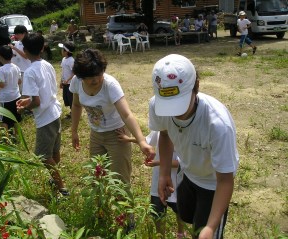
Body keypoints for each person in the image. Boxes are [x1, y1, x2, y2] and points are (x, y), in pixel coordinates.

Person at [149, 54, 239, 239]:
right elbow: (165, 134)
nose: (174, 113)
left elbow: (225, 180)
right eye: (169, 106)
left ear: (195, 87)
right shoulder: (156, 106)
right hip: (187, 172)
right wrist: (165, 173)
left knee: (203, 231)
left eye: (179, 105)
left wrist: (211, 228)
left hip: (213, 183)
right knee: (187, 216)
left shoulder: (217, 125)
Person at [69, 48, 154, 185]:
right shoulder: (76, 82)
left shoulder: (110, 85)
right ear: (81, 76)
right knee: (97, 176)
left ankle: (123, 205)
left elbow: (126, 114)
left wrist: (141, 141)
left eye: (99, 74)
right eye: (90, 77)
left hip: (117, 135)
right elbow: (76, 105)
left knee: (120, 179)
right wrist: (74, 131)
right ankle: (103, 206)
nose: (96, 79)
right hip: (95, 134)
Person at [16, 33, 68, 196]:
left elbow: (36, 102)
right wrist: (27, 102)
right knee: (53, 151)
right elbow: (44, 92)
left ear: (24, 50)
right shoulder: (47, 64)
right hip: (54, 111)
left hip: (45, 117)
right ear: (42, 48)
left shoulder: (30, 72)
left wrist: (25, 107)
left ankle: (61, 187)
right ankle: (55, 178)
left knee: (43, 156)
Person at [117, 129, 186, 239]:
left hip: (177, 183)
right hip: (158, 182)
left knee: (180, 211)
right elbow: (146, 140)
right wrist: (128, 139)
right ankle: (160, 235)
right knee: (157, 211)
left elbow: (182, 163)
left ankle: (181, 232)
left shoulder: (184, 134)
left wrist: (158, 162)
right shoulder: (161, 129)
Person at [0, 45, 22, 135]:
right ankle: (17, 136)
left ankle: (6, 139)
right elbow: (19, 81)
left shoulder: (2, 69)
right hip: (16, 96)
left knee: (3, 120)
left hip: (5, 98)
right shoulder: (16, 67)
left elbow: (2, 84)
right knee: (15, 118)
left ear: (1, 56)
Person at [9, 25, 31, 91]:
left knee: (25, 91)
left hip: (26, 69)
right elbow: (14, 55)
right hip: (18, 70)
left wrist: (15, 48)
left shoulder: (28, 42)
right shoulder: (17, 43)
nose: (16, 36)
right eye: (15, 34)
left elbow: (26, 56)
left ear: (24, 33)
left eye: (18, 34)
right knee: (20, 90)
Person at [58, 42, 75, 119]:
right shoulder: (64, 59)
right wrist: (61, 81)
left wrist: (68, 80)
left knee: (71, 98)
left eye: (62, 49)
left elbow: (75, 72)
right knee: (67, 98)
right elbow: (63, 71)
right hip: (65, 83)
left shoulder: (71, 60)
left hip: (70, 83)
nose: (61, 51)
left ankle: (74, 113)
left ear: (66, 51)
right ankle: (72, 112)